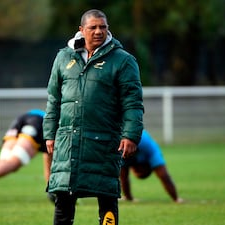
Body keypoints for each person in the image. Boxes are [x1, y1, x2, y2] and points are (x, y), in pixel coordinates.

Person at [43, 9, 144, 225]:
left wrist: (131, 135)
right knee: (63, 201)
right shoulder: (63, 58)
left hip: (105, 142)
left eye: (103, 27)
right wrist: (49, 134)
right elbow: (53, 99)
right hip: (68, 142)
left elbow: (132, 102)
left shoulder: (123, 61)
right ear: (81, 30)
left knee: (107, 199)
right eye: (93, 27)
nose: (99, 31)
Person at [120, 130, 183, 203]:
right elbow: (164, 176)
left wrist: (128, 197)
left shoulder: (128, 156)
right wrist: (176, 199)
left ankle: (128, 197)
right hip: (133, 136)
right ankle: (128, 197)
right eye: (136, 172)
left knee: (123, 172)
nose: (133, 171)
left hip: (126, 138)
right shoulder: (151, 150)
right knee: (123, 172)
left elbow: (123, 177)